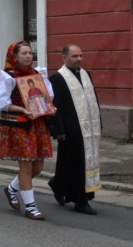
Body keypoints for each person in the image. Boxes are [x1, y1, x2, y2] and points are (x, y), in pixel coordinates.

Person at [0, 41, 54, 221]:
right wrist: (22, 110)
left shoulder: (37, 74)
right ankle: (31, 207)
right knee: (26, 166)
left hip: (37, 124)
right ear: (15, 56)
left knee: (38, 166)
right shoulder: (8, 76)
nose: (28, 56)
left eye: (30, 53)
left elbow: (48, 96)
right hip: (20, 125)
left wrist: (50, 107)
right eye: (24, 53)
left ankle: (11, 188)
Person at [48, 45, 102, 215]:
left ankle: (58, 185)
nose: (79, 59)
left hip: (88, 129)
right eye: (74, 56)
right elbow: (55, 106)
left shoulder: (86, 74)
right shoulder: (57, 78)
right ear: (64, 57)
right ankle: (80, 201)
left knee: (74, 163)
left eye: (80, 55)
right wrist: (59, 131)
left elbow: (93, 100)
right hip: (70, 130)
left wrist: (98, 122)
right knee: (75, 163)